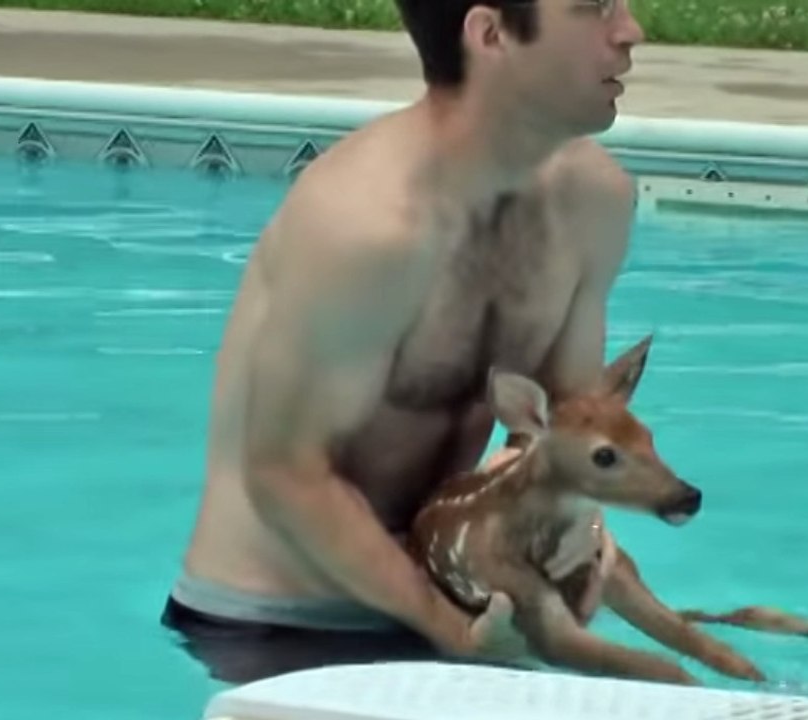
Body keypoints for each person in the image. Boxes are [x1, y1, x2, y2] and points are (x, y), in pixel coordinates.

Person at [160, 0, 646, 684]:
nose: (631, 32)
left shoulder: (596, 201)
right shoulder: (366, 228)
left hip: (464, 606)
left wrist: (574, 538)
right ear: (491, 34)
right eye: (593, 8)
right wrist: (452, 633)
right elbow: (286, 474)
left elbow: (558, 429)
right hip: (277, 630)